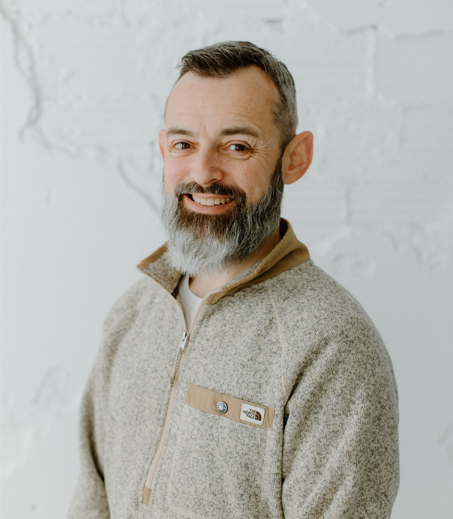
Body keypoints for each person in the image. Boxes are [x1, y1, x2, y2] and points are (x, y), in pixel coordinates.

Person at [69, 41, 399, 519]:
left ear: (294, 158)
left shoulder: (332, 344)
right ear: (164, 150)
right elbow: (91, 499)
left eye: (237, 146)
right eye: (184, 144)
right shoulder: (132, 315)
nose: (203, 173)